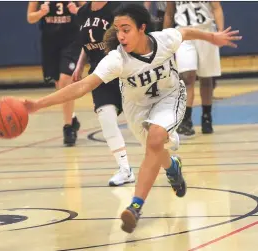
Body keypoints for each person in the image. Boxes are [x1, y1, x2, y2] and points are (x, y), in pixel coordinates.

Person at [22, 4, 241, 233]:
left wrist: (213, 37)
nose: (121, 35)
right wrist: (39, 104)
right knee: (156, 148)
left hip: (170, 97)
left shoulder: (164, 40)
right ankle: (172, 167)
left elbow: (185, 31)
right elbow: (82, 86)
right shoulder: (116, 59)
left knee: (156, 139)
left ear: (142, 28)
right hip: (137, 109)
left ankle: (135, 206)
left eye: (126, 29)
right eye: (117, 30)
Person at [72, 1, 135, 186]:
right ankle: (125, 169)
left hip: (124, 69)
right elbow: (86, 44)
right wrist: (79, 65)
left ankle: (167, 137)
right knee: (106, 118)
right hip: (100, 74)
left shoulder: (118, 8)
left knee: (143, 123)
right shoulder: (83, 12)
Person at [27, 1, 84, 146]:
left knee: (66, 81)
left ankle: (68, 128)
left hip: (71, 41)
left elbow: (87, 10)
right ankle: (72, 117)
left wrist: (76, 10)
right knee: (60, 85)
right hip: (50, 43)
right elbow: (30, 17)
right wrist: (41, 13)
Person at [164, 1, 225, 137]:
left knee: (206, 78)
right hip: (184, 34)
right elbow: (169, 12)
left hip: (206, 32)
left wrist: (220, 33)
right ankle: (186, 120)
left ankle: (206, 116)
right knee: (187, 76)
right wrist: (165, 36)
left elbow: (216, 7)